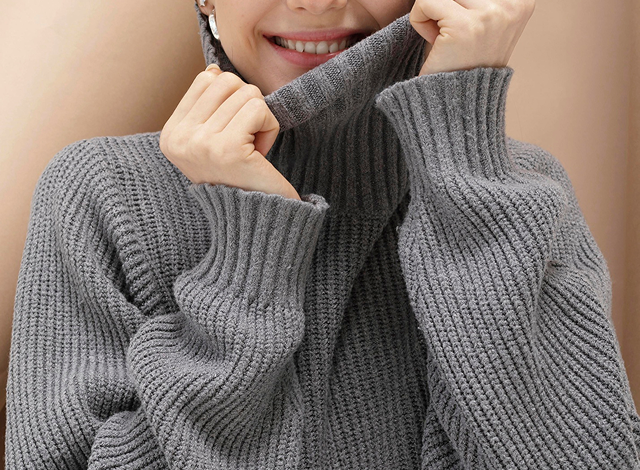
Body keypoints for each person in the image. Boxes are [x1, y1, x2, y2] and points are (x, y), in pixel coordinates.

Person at [5, 0, 640, 468]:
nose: (316, 1)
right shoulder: (103, 192)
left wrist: (463, 164)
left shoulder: (509, 188)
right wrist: (246, 260)